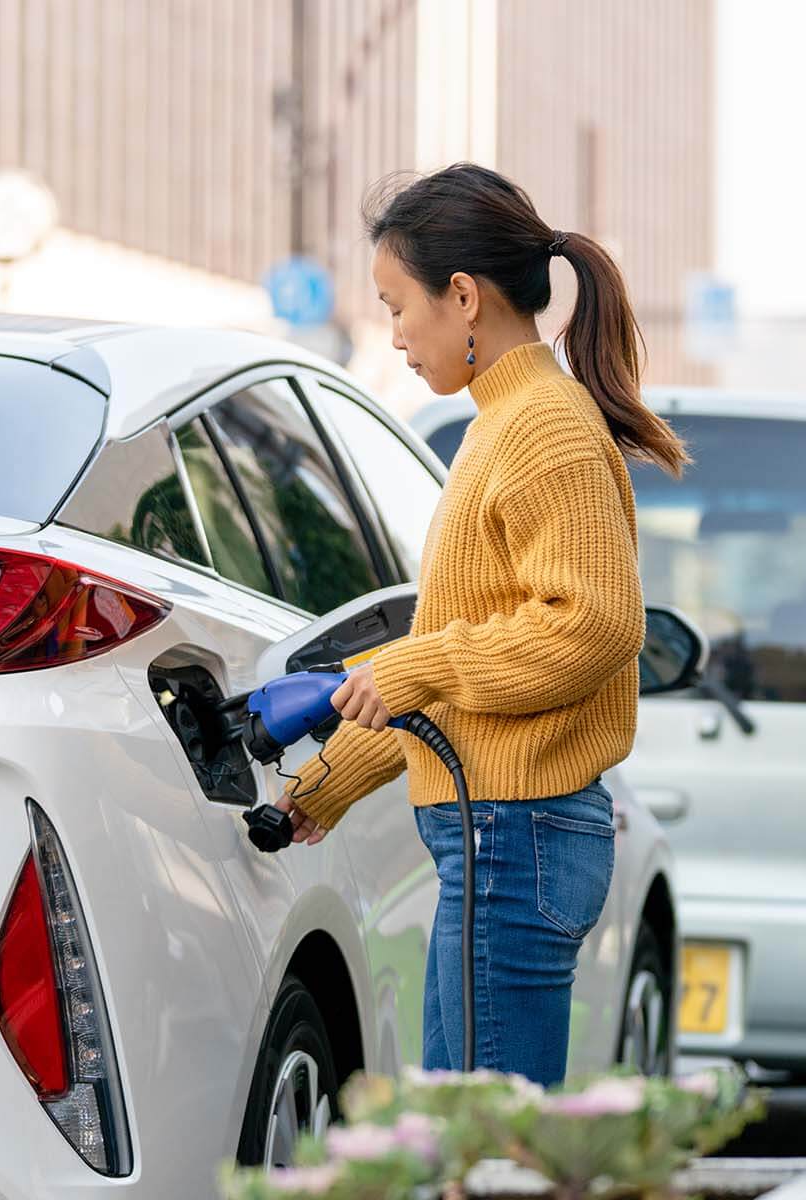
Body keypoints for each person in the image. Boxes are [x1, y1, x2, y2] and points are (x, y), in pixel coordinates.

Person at [273, 163, 689, 1086]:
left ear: (462, 296)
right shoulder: (503, 424)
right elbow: (464, 674)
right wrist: (327, 785)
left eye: (397, 306)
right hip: (497, 831)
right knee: (473, 1131)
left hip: (513, 833)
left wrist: (414, 671)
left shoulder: (541, 425)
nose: (395, 337)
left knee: (483, 1143)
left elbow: (592, 625)